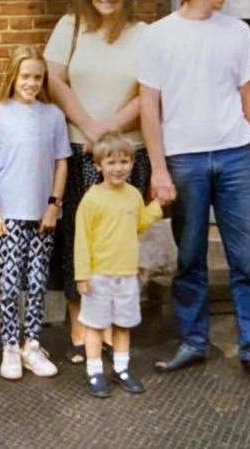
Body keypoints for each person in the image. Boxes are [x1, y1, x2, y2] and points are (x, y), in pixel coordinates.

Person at [138, 0, 250, 387]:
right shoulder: (157, 35)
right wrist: (159, 170)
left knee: (246, 262)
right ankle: (194, 343)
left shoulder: (237, 32)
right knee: (191, 258)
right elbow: (148, 109)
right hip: (185, 160)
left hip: (236, 155)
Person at [44, 0, 150, 364]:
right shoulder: (70, 26)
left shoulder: (143, 34)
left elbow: (148, 92)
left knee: (117, 240)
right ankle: (81, 327)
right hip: (77, 147)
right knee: (79, 238)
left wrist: (109, 134)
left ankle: (110, 328)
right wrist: (90, 128)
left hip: (127, 153)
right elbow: (55, 80)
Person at [0, 45, 71, 381]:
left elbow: (61, 162)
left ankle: (32, 344)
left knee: (38, 280)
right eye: (25, 76)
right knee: (11, 281)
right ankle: (10, 346)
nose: (31, 82)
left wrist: (53, 205)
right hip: (9, 214)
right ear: (13, 76)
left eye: (37, 77)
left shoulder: (53, 115)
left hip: (42, 214)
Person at [74, 131, 169, 398]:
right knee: (94, 325)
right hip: (98, 275)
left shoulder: (133, 195)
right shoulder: (91, 200)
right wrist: (82, 275)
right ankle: (94, 371)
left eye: (124, 162)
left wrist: (157, 207)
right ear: (99, 165)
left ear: (132, 163)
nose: (118, 168)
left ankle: (121, 368)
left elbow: (138, 224)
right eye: (111, 162)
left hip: (126, 274)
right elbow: (82, 240)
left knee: (122, 325)